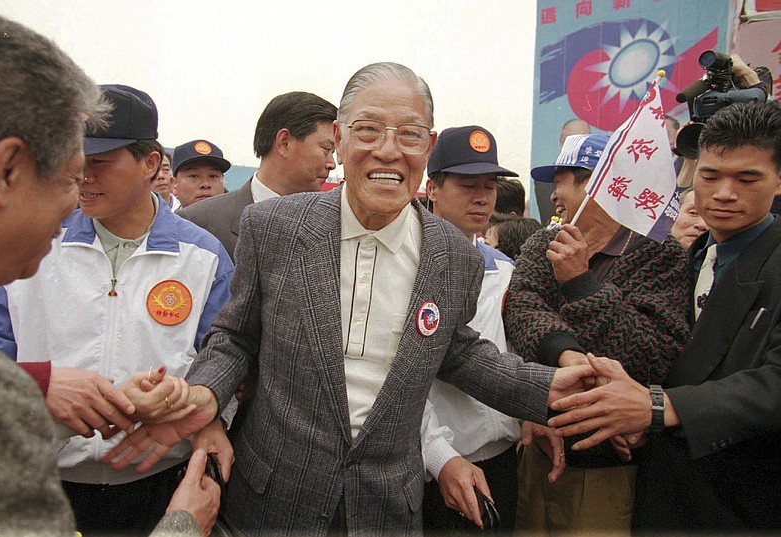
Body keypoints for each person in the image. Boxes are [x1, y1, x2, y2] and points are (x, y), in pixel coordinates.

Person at [104, 61, 597, 535]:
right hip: (271, 500)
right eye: (368, 130)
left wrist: (547, 388)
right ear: (338, 140)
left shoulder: (453, 256)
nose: (388, 150)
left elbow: (457, 350)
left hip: (386, 507)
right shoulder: (274, 227)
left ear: (426, 147)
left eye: (408, 134)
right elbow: (235, 336)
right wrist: (203, 394)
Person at [0, 13, 219, 537]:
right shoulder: (27, 246)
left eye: (100, 162)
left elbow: (219, 355)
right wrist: (39, 386)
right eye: (73, 164)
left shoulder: (203, 256)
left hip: (154, 477)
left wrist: (187, 399)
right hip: (44, 472)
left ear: (150, 162)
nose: (82, 179)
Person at [549, 101, 781, 532]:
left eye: (747, 178)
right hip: (666, 492)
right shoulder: (688, 257)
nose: (724, 193)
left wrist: (659, 407)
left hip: (745, 502)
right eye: (710, 176)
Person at [504, 133, 690, 535]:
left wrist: (580, 283)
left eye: (565, 181)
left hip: (610, 466)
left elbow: (653, 352)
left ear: (605, 184)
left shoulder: (659, 254)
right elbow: (522, 310)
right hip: (541, 445)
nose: (554, 195)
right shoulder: (544, 243)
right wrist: (569, 359)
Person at [420, 125, 523, 534]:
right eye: (467, 185)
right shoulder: (409, 265)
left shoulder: (504, 268)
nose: (482, 197)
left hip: (500, 459)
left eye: (490, 185)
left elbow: (512, 355)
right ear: (433, 187)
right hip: (437, 466)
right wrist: (438, 454)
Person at [178, 91, 337, 260]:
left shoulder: (331, 227)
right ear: (284, 143)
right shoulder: (197, 224)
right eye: (326, 149)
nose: (332, 164)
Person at [172, 139, 231, 208]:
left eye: (213, 176)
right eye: (193, 176)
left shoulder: (241, 218)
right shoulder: (162, 218)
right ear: (174, 184)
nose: (205, 184)